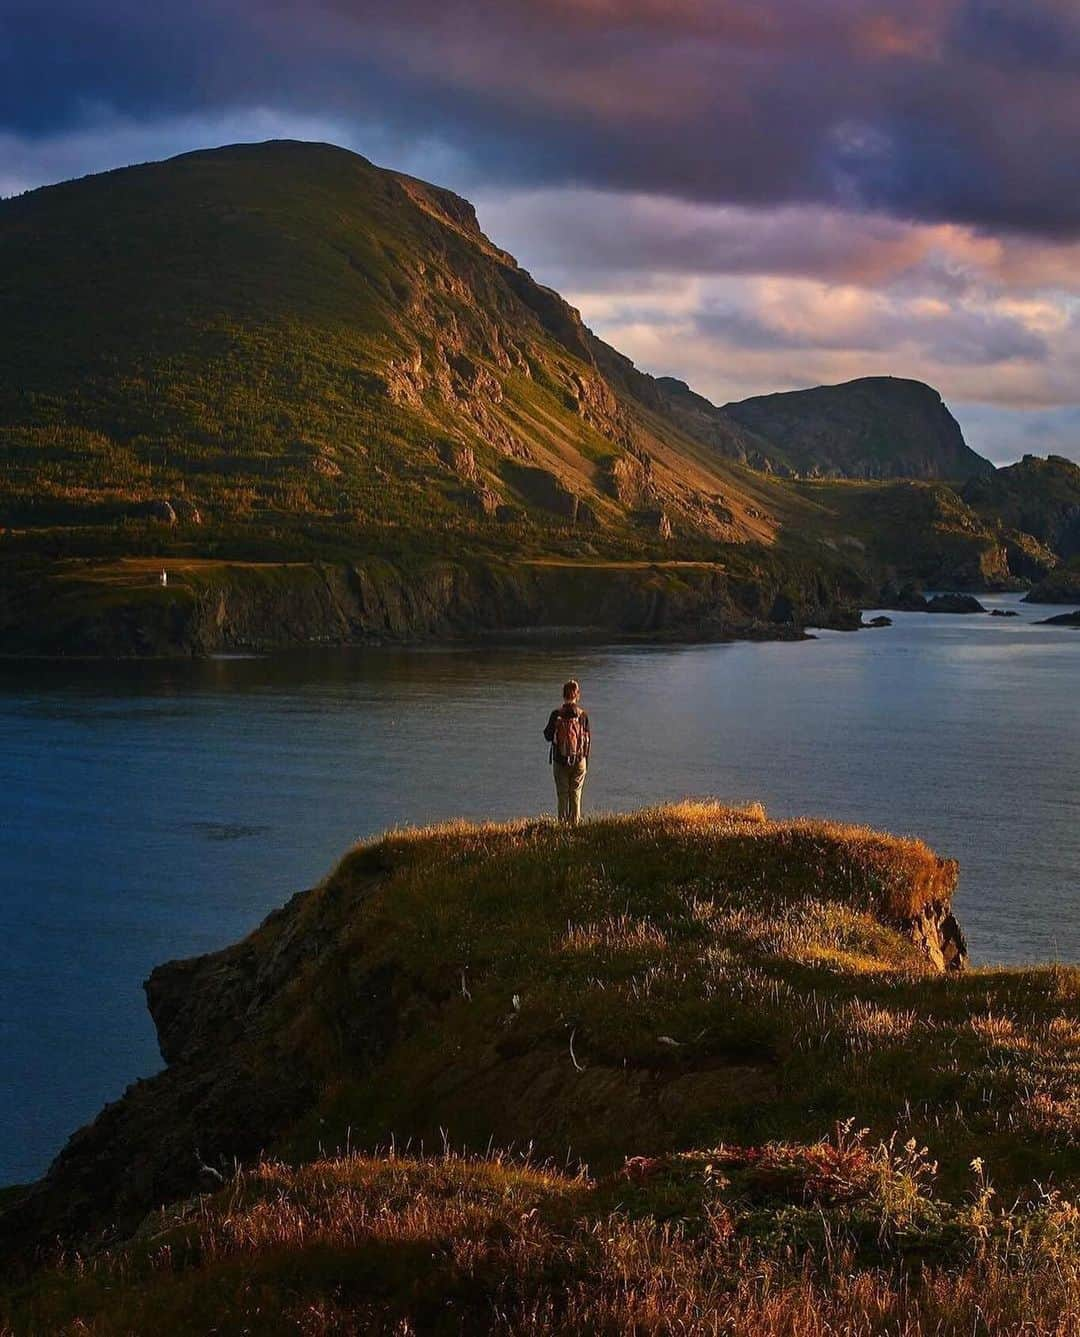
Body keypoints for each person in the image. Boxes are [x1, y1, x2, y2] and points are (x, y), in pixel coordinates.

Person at [544, 679, 591, 825]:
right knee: (576, 794)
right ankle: (575, 825)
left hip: (560, 760)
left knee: (562, 795)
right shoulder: (583, 715)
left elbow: (547, 735)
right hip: (579, 761)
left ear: (563, 695)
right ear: (577, 695)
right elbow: (588, 740)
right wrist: (585, 762)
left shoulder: (556, 714)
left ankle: (562, 827)